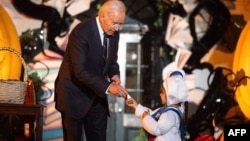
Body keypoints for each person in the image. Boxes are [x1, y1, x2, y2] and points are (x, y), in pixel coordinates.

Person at [54, 0, 128, 140]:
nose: (117, 28)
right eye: (114, 23)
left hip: (96, 97)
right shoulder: (81, 32)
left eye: (120, 23)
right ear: (102, 16)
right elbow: (80, 71)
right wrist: (108, 87)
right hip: (73, 96)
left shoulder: (114, 33)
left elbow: (111, 60)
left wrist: (114, 73)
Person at [126, 68, 188, 141]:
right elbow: (152, 115)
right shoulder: (169, 111)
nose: (160, 95)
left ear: (169, 94)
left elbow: (157, 129)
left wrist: (145, 116)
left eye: (162, 92)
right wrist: (135, 105)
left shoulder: (170, 114)